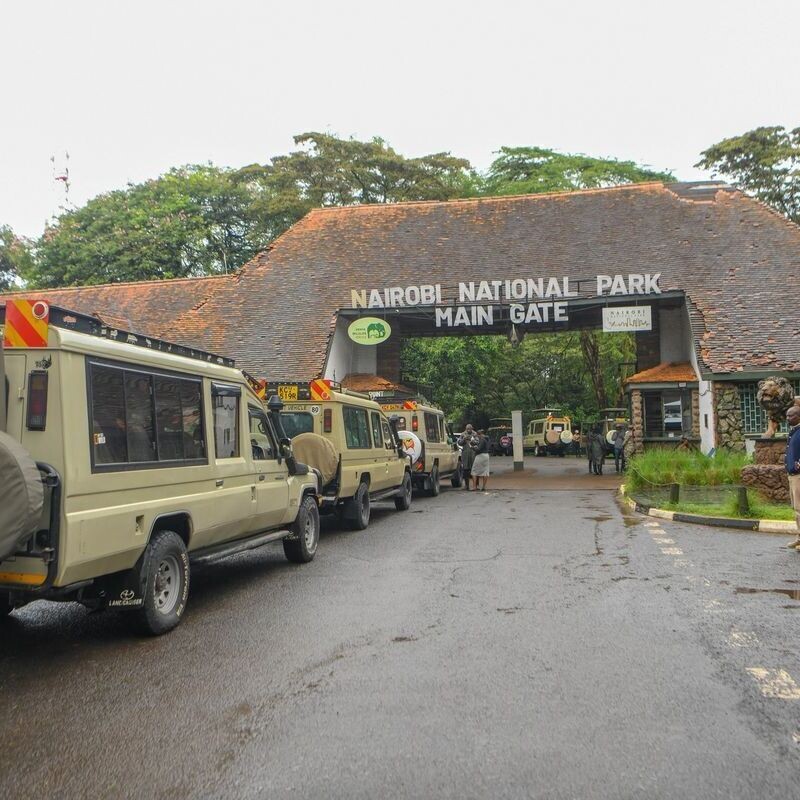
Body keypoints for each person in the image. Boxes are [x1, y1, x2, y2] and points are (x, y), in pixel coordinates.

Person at [785, 404, 800, 549]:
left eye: (791, 416)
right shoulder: (794, 431)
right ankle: (799, 537)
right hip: (792, 475)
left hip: (799, 476)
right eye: (787, 416)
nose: (787, 418)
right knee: (796, 508)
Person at [457, 424, 477, 491]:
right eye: (467, 429)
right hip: (465, 454)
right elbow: (459, 442)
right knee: (465, 470)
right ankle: (466, 485)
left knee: (474, 470)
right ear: (465, 429)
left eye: (470, 429)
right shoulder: (463, 434)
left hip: (472, 453)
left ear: (472, 428)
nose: (468, 430)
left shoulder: (474, 434)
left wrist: (472, 440)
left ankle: (476, 485)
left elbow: (477, 442)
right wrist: (464, 439)